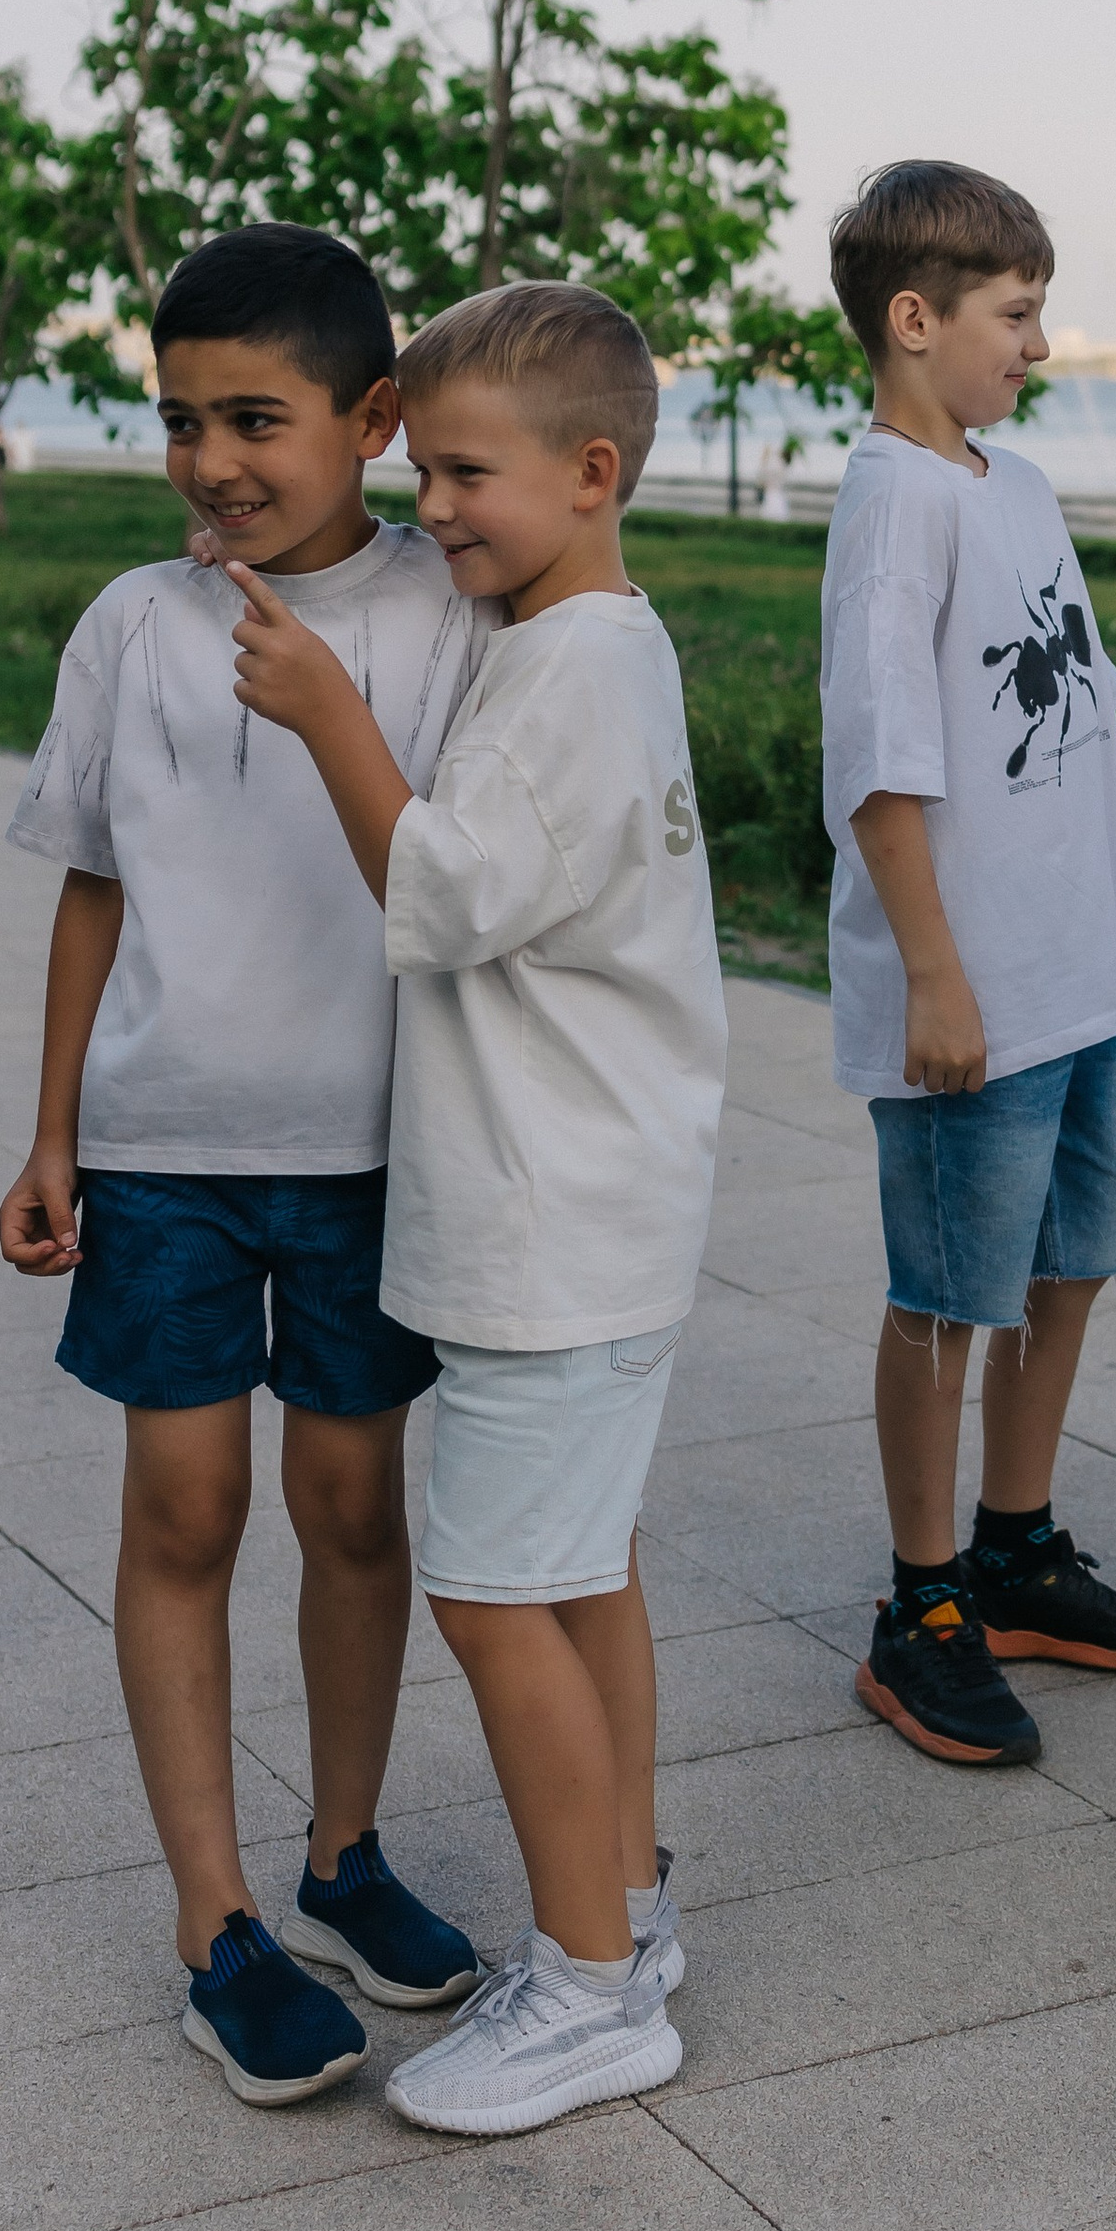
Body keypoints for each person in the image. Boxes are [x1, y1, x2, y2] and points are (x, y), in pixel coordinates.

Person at [0, 223, 488, 2108]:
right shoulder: (134, 624)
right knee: (185, 1515)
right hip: (167, 1154)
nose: (213, 461)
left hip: (369, 1157)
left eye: (257, 419)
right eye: (181, 420)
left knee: (357, 1513)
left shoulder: (447, 621)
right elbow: (93, 885)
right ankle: (219, 1926)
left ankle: (343, 1857)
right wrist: (55, 1128)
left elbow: (459, 877)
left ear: (371, 419)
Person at [228, 278, 723, 2136]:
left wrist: (326, 714)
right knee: (580, 1575)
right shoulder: (603, 643)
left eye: (463, 474)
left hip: (549, 1221)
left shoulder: (570, 668)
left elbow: (437, 891)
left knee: (496, 1591)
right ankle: (630, 1918)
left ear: (591, 474)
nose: (431, 507)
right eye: (422, 469)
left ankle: (592, 1992)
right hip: (600, 1203)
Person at [818, 159, 1116, 1772]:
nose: (1038, 348)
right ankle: (919, 1610)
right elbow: (882, 763)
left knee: (1069, 1262)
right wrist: (932, 971)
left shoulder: (1016, 486)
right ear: (915, 321)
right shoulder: (891, 507)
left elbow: (1087, 698)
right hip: (970, 986)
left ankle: (1017, 1547)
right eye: (1016, 315)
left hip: (1072, 968)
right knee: (945, 1295)